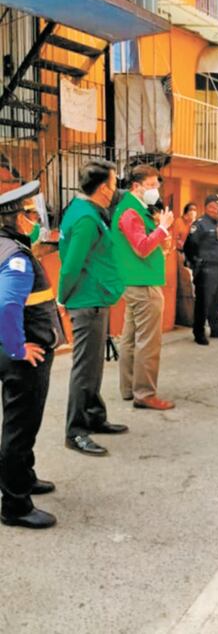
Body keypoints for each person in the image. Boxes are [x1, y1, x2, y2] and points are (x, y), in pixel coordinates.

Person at [0, 182, 63, 528]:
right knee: (21, 426)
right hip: (24, 355)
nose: (33, 218)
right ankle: (16, 505)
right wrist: (18, 347)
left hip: (10, 350)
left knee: (19, 423)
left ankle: (21, 477)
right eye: (28, 213)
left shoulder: (7, 247)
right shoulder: (16, 259)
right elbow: (7, 304)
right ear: (12, 218)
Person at [58, 160, 128, 457]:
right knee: (85, 369)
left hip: (94, 298)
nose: (114, 191)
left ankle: (95, 416)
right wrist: (63, 298)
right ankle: (76, 431)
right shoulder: (86, 218)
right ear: (102, 189)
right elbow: (71, 266)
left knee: (94, 364)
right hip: (86, 301)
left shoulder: (85, 211)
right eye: (113, 185)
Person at [110, 165, 175, 412]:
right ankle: (145, 393)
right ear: (136, 186)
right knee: (148, 341)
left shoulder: (135, 209)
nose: (156, 190)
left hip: (135, 281)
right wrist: (163, 227)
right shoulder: (130, 212)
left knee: (129, 338)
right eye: (152, 186)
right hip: (143, 283)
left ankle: (129, 388)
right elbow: (142, 247)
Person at [184, 194, 218, 345]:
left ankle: (216, 328)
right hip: (207, 269)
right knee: (203, 302)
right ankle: (198, 332)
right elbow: (189, 245)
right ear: (209, 207)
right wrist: (196, 262)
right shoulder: (200, 224)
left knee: (217, 300)